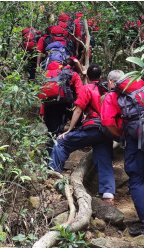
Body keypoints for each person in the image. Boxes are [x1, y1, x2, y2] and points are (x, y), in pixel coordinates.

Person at [101, 70, 144, 235]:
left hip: (136, 138)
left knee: (135, 177)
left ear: (112, 82)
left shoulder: (112, 96)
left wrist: (120, 136)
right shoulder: (141, 89)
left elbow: (107, 122)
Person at [48, 64, 116, 206]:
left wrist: (69, 130)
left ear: (87, 77)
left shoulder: (87, 88)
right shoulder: (107, 89)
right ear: (102, 77)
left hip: (93, 128)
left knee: (61, 143)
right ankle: (108, 196)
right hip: (107, 130)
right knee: (104, 161)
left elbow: (78, 110)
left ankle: (52, 176)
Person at [38, 60, 84, 156]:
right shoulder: (71, 74)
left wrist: (42, 112)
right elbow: (80, 93)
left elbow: (42, 94)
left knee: (52, 132)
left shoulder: (44, 75)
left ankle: (48, 159)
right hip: (66, 104)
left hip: (48, 106)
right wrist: (82, 110)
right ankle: (75, 150)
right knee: (78, 124)